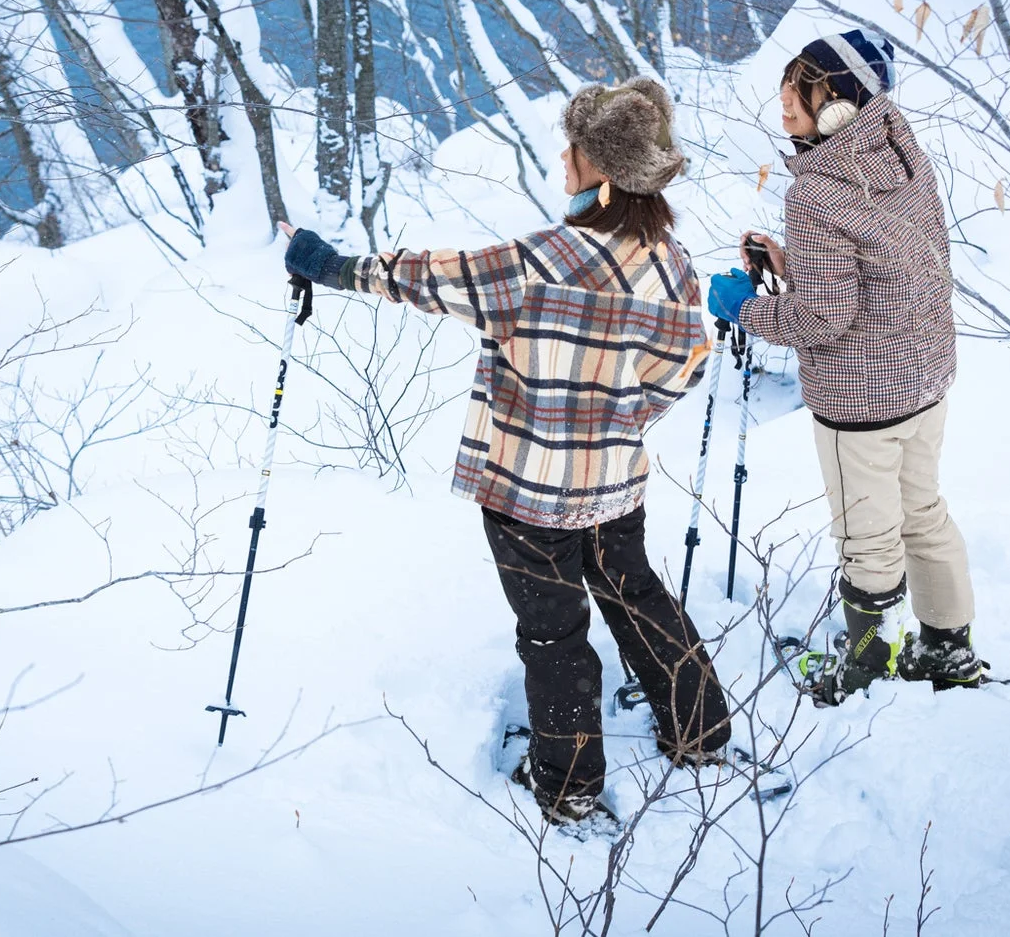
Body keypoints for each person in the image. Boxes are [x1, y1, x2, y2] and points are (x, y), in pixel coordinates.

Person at [280, 79, 730, 826]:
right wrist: (621, 417)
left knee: (554, 633)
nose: (564, 158)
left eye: (575, 151)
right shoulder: (668, 261)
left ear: (605, 173)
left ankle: (569, 785)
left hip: (526, 494)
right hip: (614, 482)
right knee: (637, 595)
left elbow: (424, 277)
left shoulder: (535, 262)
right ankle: (701, 730)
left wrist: (331, 267)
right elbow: (687, 363)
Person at [706, 29, 986, 705]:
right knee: (923, 512)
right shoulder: (898, 151)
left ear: (835, 98)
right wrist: (791, 263)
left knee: (866, 535)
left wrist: (746, 308)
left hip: (860, 403)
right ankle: (949, 652)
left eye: (797, 91)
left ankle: (863, 665)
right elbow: (879, 264)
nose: (783, 105)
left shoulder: (815, 194)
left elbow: (824, 319)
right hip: (923, 380)